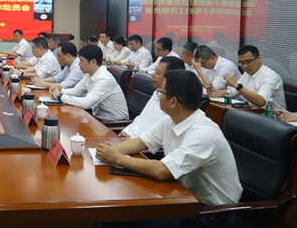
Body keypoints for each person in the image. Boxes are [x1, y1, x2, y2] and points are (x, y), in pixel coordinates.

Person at [96, 69, 243, 210]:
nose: (158, 96)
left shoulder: (203, 134)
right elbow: (141, 142)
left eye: (161, 92)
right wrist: (113, 151)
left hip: (213, 210)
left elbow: (162, 171)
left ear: (173, 102)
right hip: (182, 193)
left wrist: (117, 158)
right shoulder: (171, 120)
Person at [49, 45, 128, 121]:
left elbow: (86, 103)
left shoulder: (104, 79)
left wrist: (60, 96)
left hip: (114, 122)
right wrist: (58, 91)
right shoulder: (89, 74)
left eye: (81, 61)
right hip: (97, 117)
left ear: (93, 62)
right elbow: (75, 91)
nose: (79, 64)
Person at [120, 57, 185, 139]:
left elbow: (158, 139)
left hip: (140, 144)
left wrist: (132, 140)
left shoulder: (173, 104)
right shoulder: (157, 92)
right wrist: (126, 131)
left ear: (171, 79)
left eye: (158, 73)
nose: (152, 74)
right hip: (129, 138)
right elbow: (141, 119)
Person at [210, 45, 286, 109]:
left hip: (272, 118)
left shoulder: (271, 77)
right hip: (253, 112)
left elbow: (261, 102)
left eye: (248, 62)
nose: (245, 66)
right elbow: (233, 91)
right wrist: (216, 93)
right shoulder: (247, 73)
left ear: (258, 59)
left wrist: (236, 85)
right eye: (242, 63)